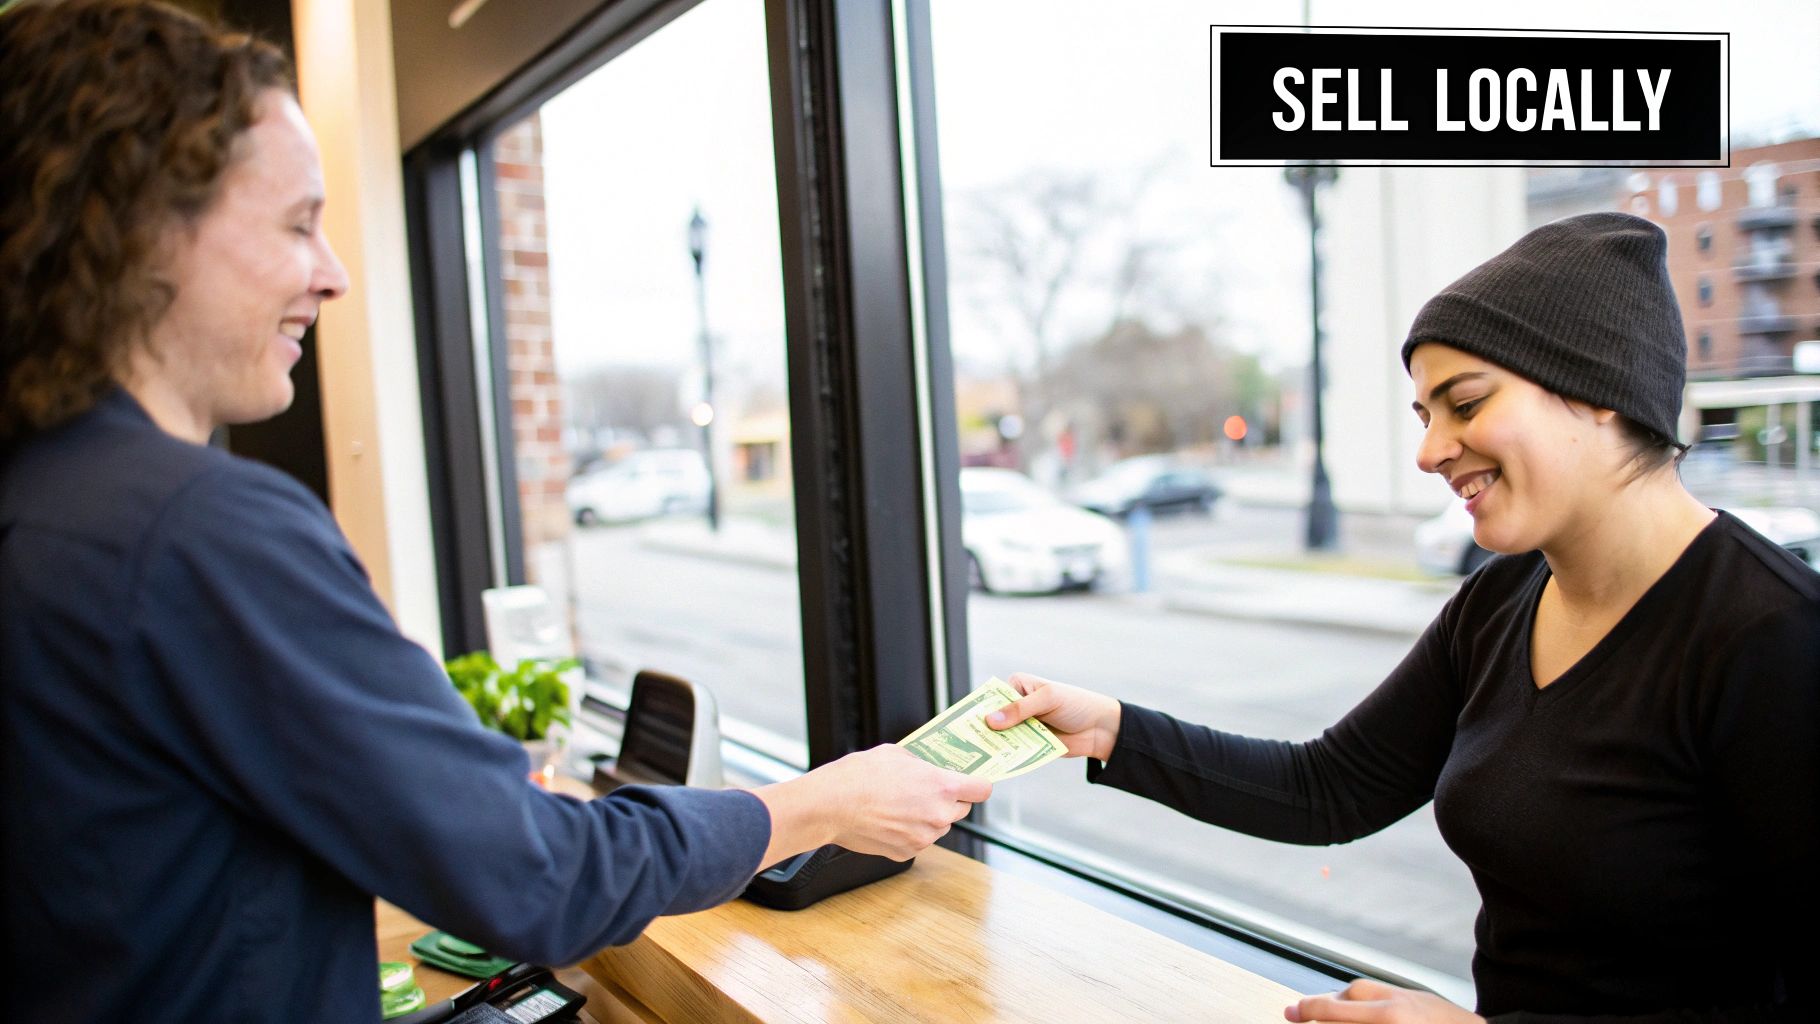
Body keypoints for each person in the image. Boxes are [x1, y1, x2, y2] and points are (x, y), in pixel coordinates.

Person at [0, 3, 989, 1021]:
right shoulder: (196, 531)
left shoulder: (45, 499)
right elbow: (545, 881)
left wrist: (440, 775)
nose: (333, 274)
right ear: (136, 227)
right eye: (298, 223)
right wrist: (822, 802)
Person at [990, 213, 1818, 1023]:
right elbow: (1329, 787)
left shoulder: (1774, 639)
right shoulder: (1499, 602)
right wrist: (1111, 730)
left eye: (1465, 403)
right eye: (1425, 416)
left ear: (1599, 390)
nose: (1429, 451)